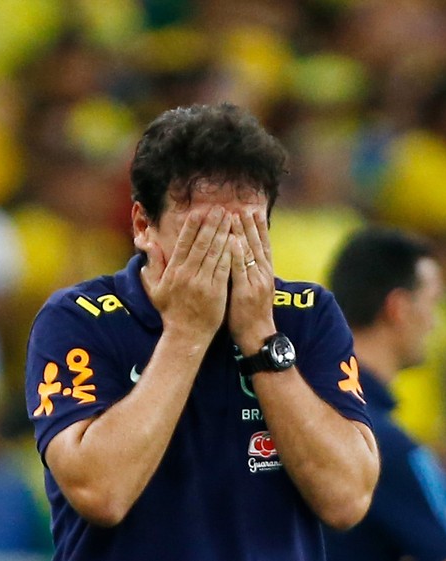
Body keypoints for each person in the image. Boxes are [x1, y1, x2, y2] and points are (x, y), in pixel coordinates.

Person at [24, 103, 380, 561]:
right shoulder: (79, 319)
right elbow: (100, 492)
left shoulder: (307, 316)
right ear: (142, 225)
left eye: (245, 229)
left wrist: (261, 340)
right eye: (204, 232)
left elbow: (347, 499)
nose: (226, 252)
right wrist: (186, 333)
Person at [325, 227, 446, 561]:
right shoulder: (388, 447)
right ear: (398, 308)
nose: (435, 323)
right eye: (434, 303)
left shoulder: (291, 409)